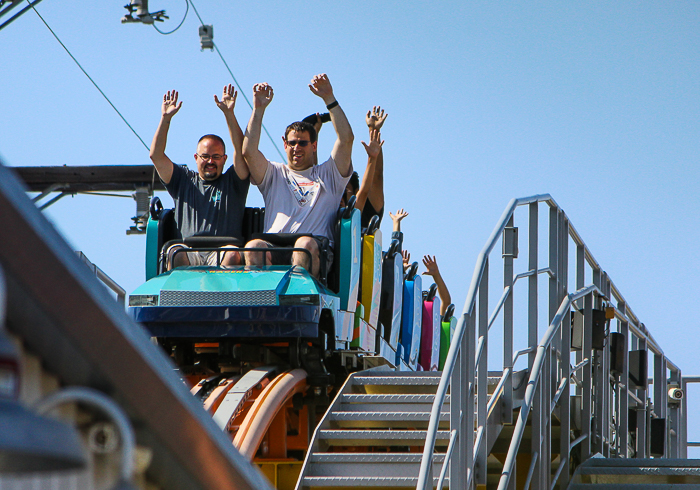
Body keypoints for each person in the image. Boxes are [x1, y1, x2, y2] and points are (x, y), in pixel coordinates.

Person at [242, 74, 354, 278]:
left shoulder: (329, 175)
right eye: (292, 143)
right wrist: (258, 110)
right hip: (275, 247)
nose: (296, 148)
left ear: (314, 146)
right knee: (253, 246)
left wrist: (329, 98)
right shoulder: (274, 173)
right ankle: (259, 302)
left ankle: (299, 301)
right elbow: (248, 152)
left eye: (302, 143)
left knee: (303, 245)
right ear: (285, 144)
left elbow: (346, 140)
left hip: (314, 249)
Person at [149, 85, 250, 269]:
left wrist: (229, 113)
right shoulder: (183, 180)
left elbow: (243, 152)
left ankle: (226, 297)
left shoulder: (233, 181)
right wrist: (165, 119)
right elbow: (156, 155)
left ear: (224, 159)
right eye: (205, 156)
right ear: (196, 158)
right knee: (175, 252)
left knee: (233, 254)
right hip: (190, 251)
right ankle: (180, 296)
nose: (210, 161)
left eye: (216, 157)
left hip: (223, 252)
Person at [339, 107, 388, 229]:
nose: (341, 197)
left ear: (356, 192)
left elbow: (377, 176)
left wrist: (374, 130)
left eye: (345, 192)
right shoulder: (326, 215)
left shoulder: (369, 211)